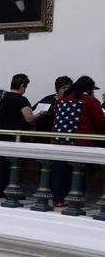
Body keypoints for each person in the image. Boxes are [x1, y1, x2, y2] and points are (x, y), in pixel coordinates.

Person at [50, 76, 104, 207]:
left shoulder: (63, 98)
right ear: (89, 89)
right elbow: (100, 123)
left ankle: (58, 199)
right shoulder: (90, 101)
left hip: (59, 141)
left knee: (59, 170)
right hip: (81, 142)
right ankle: (76, 200)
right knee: (78, 171)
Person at [0, 73, 42, 198]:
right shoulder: (21, 99)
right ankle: (12, 190)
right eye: (25, 87)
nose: (25, 90)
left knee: (0, 164)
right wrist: (40, 114)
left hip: (1, 134)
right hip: (15, 137)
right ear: (22, 85)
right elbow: (29, 118)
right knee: (13, 165)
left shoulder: (2, 97)